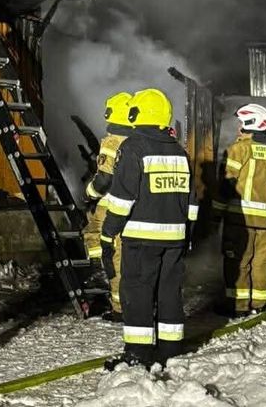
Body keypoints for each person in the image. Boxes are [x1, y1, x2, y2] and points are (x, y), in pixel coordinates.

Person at [101, 88, 197, 368]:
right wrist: (187, 234)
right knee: (169, 292)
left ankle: (138, 354)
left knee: (138, 293)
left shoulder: (133, 148)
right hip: (175, 239)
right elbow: (192, 201)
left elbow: (121, 199)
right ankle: (170, 351)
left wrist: (109, 231)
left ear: (136, 114)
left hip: (142, 240)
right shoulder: (179, 152)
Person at [213, 103, 266, 315]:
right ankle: (259, 304)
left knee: (238, 263)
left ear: (249, 124)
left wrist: (216, 215)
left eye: (241, 124)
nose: (238, 129)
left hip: (240, 220)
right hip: (265, 223)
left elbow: (226, 185)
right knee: (261, 263)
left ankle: (238, 305)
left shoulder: (238, 150)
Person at [82, 91, 133, 319]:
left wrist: (90, 193)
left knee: (94, 234)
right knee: (124, 251)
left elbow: (104, 178)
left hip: (111, 202)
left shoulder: (112, 142)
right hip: (134, 205)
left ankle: (99, 270)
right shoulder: (137, 140)